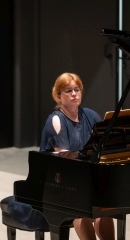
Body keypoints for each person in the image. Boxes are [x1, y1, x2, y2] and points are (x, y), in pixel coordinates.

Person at [39, 72, 115, 240]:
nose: (74, 94)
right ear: (58, 96)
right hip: (58, 180)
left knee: (105, 211)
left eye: (77, 89)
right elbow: (66, 161)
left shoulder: (91, 115)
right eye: (68, 90)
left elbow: (103, 147)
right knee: (82, 211)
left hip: (85, 177)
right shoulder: (56, 120)